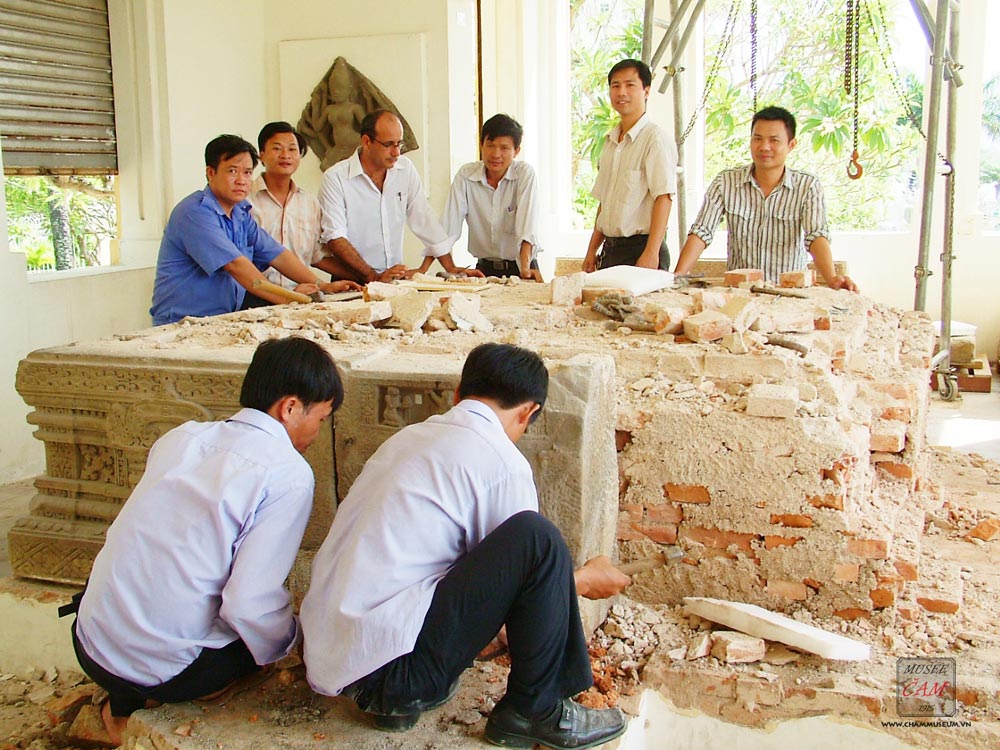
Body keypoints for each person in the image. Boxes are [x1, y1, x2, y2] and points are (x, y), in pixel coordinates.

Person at [300, 343, 630, 749]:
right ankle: (537, 711)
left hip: (330, 655)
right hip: (391, 673)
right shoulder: (503, 463)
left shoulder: (408, 438)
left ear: (458, 393)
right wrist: (579, 580)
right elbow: (525, 587)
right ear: (528, 411)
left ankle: (396, 705)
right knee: (539, 540)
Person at [69, 337, 343, 746]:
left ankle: (120, 708)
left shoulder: (183, 436)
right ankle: (175, 692)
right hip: (168, 671)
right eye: (320, 419)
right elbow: (248, 601)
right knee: (260, 645)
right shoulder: (286, 473)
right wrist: (291, 643)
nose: (318, 433)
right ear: (289, 408)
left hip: (89, 642)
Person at [149, 135, 357, 326]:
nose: (241, 180)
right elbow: (235, 265)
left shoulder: (240, 213)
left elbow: (278, 255)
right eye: (232, 171)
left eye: (247, 172)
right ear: (210, 172)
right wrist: (294, 299)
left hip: (224, 319)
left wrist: (321, 285)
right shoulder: (194, 212)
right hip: (181, 323)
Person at [672, 106, 858, 291]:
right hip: (741, 294)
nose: (764, 147)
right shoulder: (725, 182)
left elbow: (816, 236)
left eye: (774, 140)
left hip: (789, 295)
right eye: (758, 139)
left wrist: (832, 278)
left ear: (791, 145)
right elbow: (701, 232)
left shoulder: (807, 186)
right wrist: (677, 277)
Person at [317, 110, 483, 284]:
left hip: (393, 280)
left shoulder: (405, 169)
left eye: (399, 144)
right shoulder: (336, 178)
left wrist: (450, 267)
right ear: (366, 142)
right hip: (351, 281)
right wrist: (372, 276)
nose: (396, 152)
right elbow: (334, 237)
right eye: (388, 145)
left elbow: (423, 218)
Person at [243, 122, 362, 309]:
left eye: (292, 149)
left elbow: (316, 255)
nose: (285, 155)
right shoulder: (244, 199)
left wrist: (364, 276)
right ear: (262, 155)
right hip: (254, 298)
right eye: (277, 148)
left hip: (301, 298)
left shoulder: (309, 202)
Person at [418, 114, 543, 281]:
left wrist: (525, 268)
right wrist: (422, 270)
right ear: (481, 145)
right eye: (490, 145)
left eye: (504, 148)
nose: (496, 154)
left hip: (521, 268)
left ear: (516, 151)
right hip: (484, 270)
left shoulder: (524, 174)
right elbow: (447, 227)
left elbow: (527, 227)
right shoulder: (466, 176)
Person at [582, 59, 677, 273]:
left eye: (630, 85)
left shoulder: (655, 139)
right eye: (615, 86)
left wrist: (651, 253)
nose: (621, 92)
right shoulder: (610, 142)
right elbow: (604, 205)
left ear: (646, 91)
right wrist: (591, 252)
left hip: (642, 249)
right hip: (611, 251)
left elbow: (664, 198)